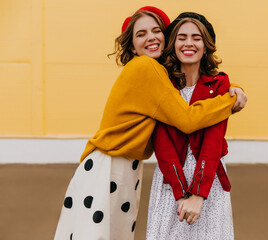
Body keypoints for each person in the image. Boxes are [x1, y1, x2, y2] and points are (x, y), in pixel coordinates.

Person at [54, 7, 246, 240]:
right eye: (141, 34)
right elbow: (187, 119)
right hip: (109, 166)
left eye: (156, 30)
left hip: (121, 165)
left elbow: (204, 82)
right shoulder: (147, 68)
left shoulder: (158, 74)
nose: (151, 37)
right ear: (132, 46)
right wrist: (229, 100)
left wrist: (228, 87)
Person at [146, 13, 236, 239]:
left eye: (196, 38)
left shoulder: (220, 85)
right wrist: (180, 194)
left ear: (206, 46)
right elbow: (162, 142)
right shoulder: (162, 84)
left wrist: (198, 195)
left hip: (208, 179)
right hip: (171, 179)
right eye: (181, 37)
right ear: (172, 44)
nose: (188, 43)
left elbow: (213, 142)